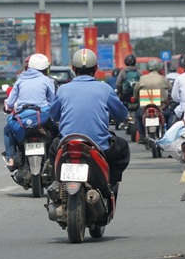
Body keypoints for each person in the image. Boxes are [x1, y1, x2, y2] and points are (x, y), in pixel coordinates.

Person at [48, 48, 130, 189]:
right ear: (96, 68)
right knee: (123, 148)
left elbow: (53, 115)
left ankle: (57, 183)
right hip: (99, 146)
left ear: (73, 68)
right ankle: (109, 184)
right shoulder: (104, 89)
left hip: (67, 143)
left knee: (51, 151)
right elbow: (121, 114)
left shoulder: (63, 90)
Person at [2, 53, 57, 170]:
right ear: (44, 69)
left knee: (8, 130)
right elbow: (53, 102)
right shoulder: (47, 80)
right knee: (58, 130)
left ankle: (10, 158)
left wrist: (7, 108)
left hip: (22, 119)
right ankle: (58, 158)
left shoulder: (20, 80)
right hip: (43, 118)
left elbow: (10, 103)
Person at [132, 58, 173, 139]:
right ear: (159, 68)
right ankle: (169, 135)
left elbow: (136, 91)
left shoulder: (142, 78)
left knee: (138, 116)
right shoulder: (163, 78)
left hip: (145, 107)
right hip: (161, 107)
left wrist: (136, 98)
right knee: (169, 115)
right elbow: (171, 89)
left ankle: (142, 136)